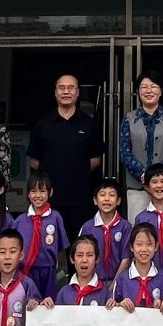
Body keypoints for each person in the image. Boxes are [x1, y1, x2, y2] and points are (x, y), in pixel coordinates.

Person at [27, 73, 102, 239]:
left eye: (70, 88)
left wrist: (77, 172)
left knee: (80, 244)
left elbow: (96, 159)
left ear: (77, 92)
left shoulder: (88, 124)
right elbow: (33, 160)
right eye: (61, 88)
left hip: (80, 198)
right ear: (55, 93)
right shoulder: (43, 125)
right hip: (50, 198)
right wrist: (51, 173)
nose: (66, 92)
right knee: (49, 243)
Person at [117, 74, 163, 216]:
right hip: (137, 187)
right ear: (138, 91)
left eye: (153, 87)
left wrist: (158, 175)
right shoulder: (129, 119)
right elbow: (124, 152)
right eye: (144, 87)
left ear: (161, 91)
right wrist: (144, 175)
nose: (149, 91)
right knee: (138, 226)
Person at [14, 173, 67, 295]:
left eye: (42, 191)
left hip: (49, 271)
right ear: (28, 194)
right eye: (33, 191)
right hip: (25, 271)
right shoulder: (20, 221)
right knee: (28, 302)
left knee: (48, 302)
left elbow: (61, 250)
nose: (38, 196)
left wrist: (60, 272)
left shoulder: (55, 217)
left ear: (50, 192)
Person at [82, 177, 131, 278]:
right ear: (95, 200)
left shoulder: (125, 226)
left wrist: (115, 284)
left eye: (112, 195)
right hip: (93, 281)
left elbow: (126, 259)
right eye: (102, 195)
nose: (107, 199)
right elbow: (83, 257)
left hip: (119, 280)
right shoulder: (88, 227)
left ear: (118, 200)